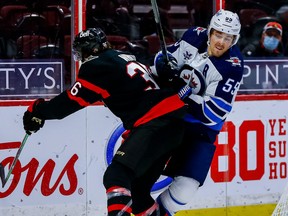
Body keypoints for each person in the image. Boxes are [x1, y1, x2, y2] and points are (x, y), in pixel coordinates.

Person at [22, 27, 190, 216]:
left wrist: (37, 111)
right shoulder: (124, 57)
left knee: (116, 176)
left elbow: (69, 102)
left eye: (81, 53)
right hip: (174, 123)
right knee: (137, 193)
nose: (81, 58)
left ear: (90, 50)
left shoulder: (96, 66)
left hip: (155, 122)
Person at [130, 9, 244, 215]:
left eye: (228, 38)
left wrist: (181, 94)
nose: (221, 42)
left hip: (200, 130)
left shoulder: (232, 67)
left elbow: (213, 113)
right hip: (170, 118)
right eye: (218, 34)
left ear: (234, 40)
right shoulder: (193, 36)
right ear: (210, 32)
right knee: (140, 172)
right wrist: (165, 65)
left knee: (186, 189)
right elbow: (162, 61)